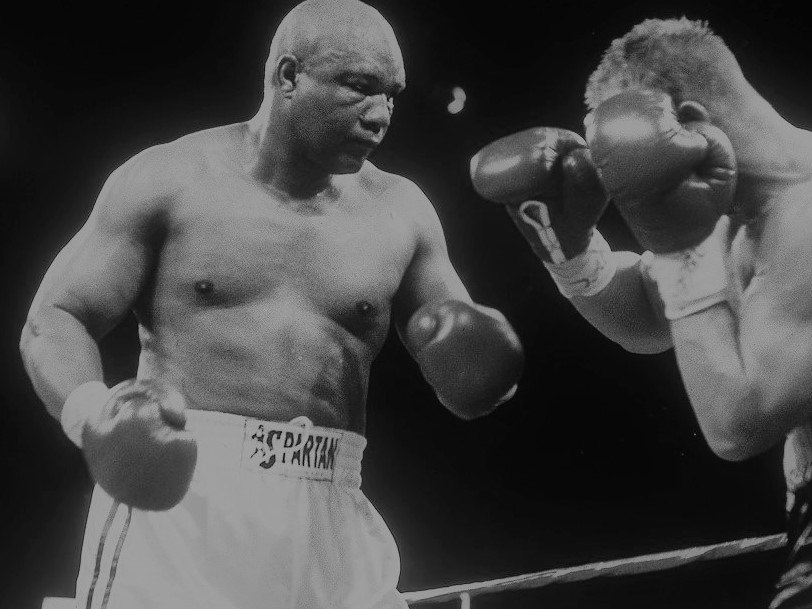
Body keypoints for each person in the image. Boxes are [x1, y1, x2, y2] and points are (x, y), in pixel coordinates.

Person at [19, 1, 524, 607]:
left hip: (330, 501)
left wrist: (486, 370)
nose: (379, 115)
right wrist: (93, 418)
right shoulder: (171, 179)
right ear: (289, 76)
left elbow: (468, 381)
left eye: (392, 96)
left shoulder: (402, 212)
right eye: (359, 87)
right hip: (183, 497)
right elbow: (55, 319)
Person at [471, 17, 812, 609]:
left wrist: (675, 247)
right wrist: (570, 247)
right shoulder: (730, 216)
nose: (614, 181)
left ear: (686, 123)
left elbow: (736, 423)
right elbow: (649, 320)